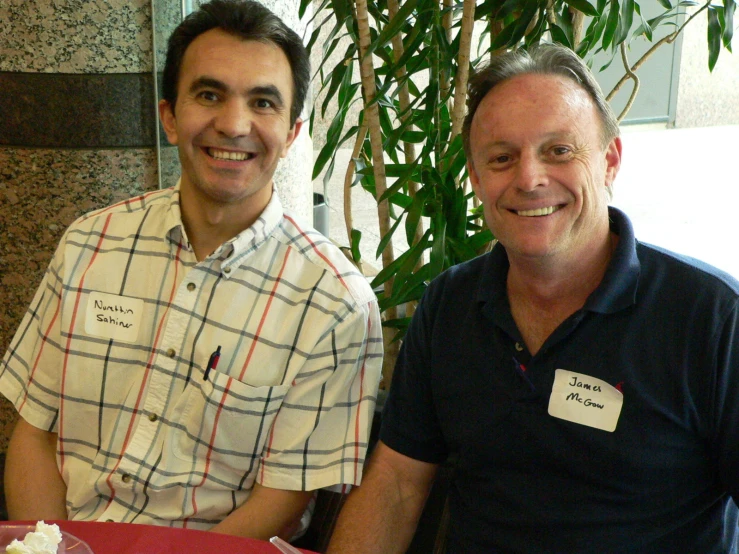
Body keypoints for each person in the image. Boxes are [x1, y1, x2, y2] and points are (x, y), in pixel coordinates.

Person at [327, 43, 739, 553]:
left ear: (609, 161)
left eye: (559, 151)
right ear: (477, 179)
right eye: (502, 158)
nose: (529, 179)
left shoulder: (714, 319)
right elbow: (396, 484)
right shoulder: (449, 306)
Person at [0, 0, 382, 540]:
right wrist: (53, 547)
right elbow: (34, 434)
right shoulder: (90, 243)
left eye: (263, 102)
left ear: (292, 132)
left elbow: (283, 500)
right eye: (209, 95)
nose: (233, 124)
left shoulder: (335, 302)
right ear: (170, 116)